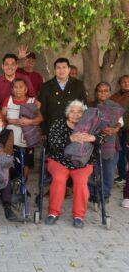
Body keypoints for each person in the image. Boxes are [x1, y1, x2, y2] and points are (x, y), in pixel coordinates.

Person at [45, 100, 104, 228]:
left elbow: (102, 138)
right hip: (59, 160)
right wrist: (70, 139)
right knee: (59, 179)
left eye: (79, 112)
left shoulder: (90, 125)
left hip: (83, 162)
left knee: (81, 181)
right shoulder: (59, 124)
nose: (75, 114)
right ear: (67, 113)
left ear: (84, 114)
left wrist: (92, 138)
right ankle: (53, 213)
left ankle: (78, 215)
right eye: (72, 111)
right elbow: (53, 143)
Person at [2, 78, 43, 183]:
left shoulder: (32, 101)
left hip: (27, 138)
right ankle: (11, 183)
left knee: (26, 162)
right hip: (11, 139)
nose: (18, 90)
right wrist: (14, 121)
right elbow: (1, 119)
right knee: (11, 160)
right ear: (12, 89)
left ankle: (23, 184)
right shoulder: (8, 100)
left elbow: (40, 119)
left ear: (26, 89)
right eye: (16, 87)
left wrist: (29, 121)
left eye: (21, 87)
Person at [88, 82, 123, 203]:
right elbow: (86, 122)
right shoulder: (90, 105)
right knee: (92, 169)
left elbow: (120, 122)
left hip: (111, 142)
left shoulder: (115, 106)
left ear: (110, 92)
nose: (102, 93)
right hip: (93, 142)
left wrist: (115, 129)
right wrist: (100, 129)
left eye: (106, 91)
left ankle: (104, 195)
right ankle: (92, 193)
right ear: (96, 93)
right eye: (100, 91)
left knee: (108, 170)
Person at [39, 58, 87, 136]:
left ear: (69, 69)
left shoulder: (78, 85)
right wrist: (43, 131)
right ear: (54, 70)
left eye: (64, 67)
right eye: (58, 68)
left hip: (73, 128)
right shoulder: (46, 86)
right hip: (52, 129)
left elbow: (84, 106)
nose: (61, 71)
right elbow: (43, 110)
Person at [110, 74, 129, 185]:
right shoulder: (114, 97)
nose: (126, 83)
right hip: (116, 130)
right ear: (120, 84)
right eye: (124, 82)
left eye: (128, 81)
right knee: (120, 154)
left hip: (127, 129)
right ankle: (122, 176)